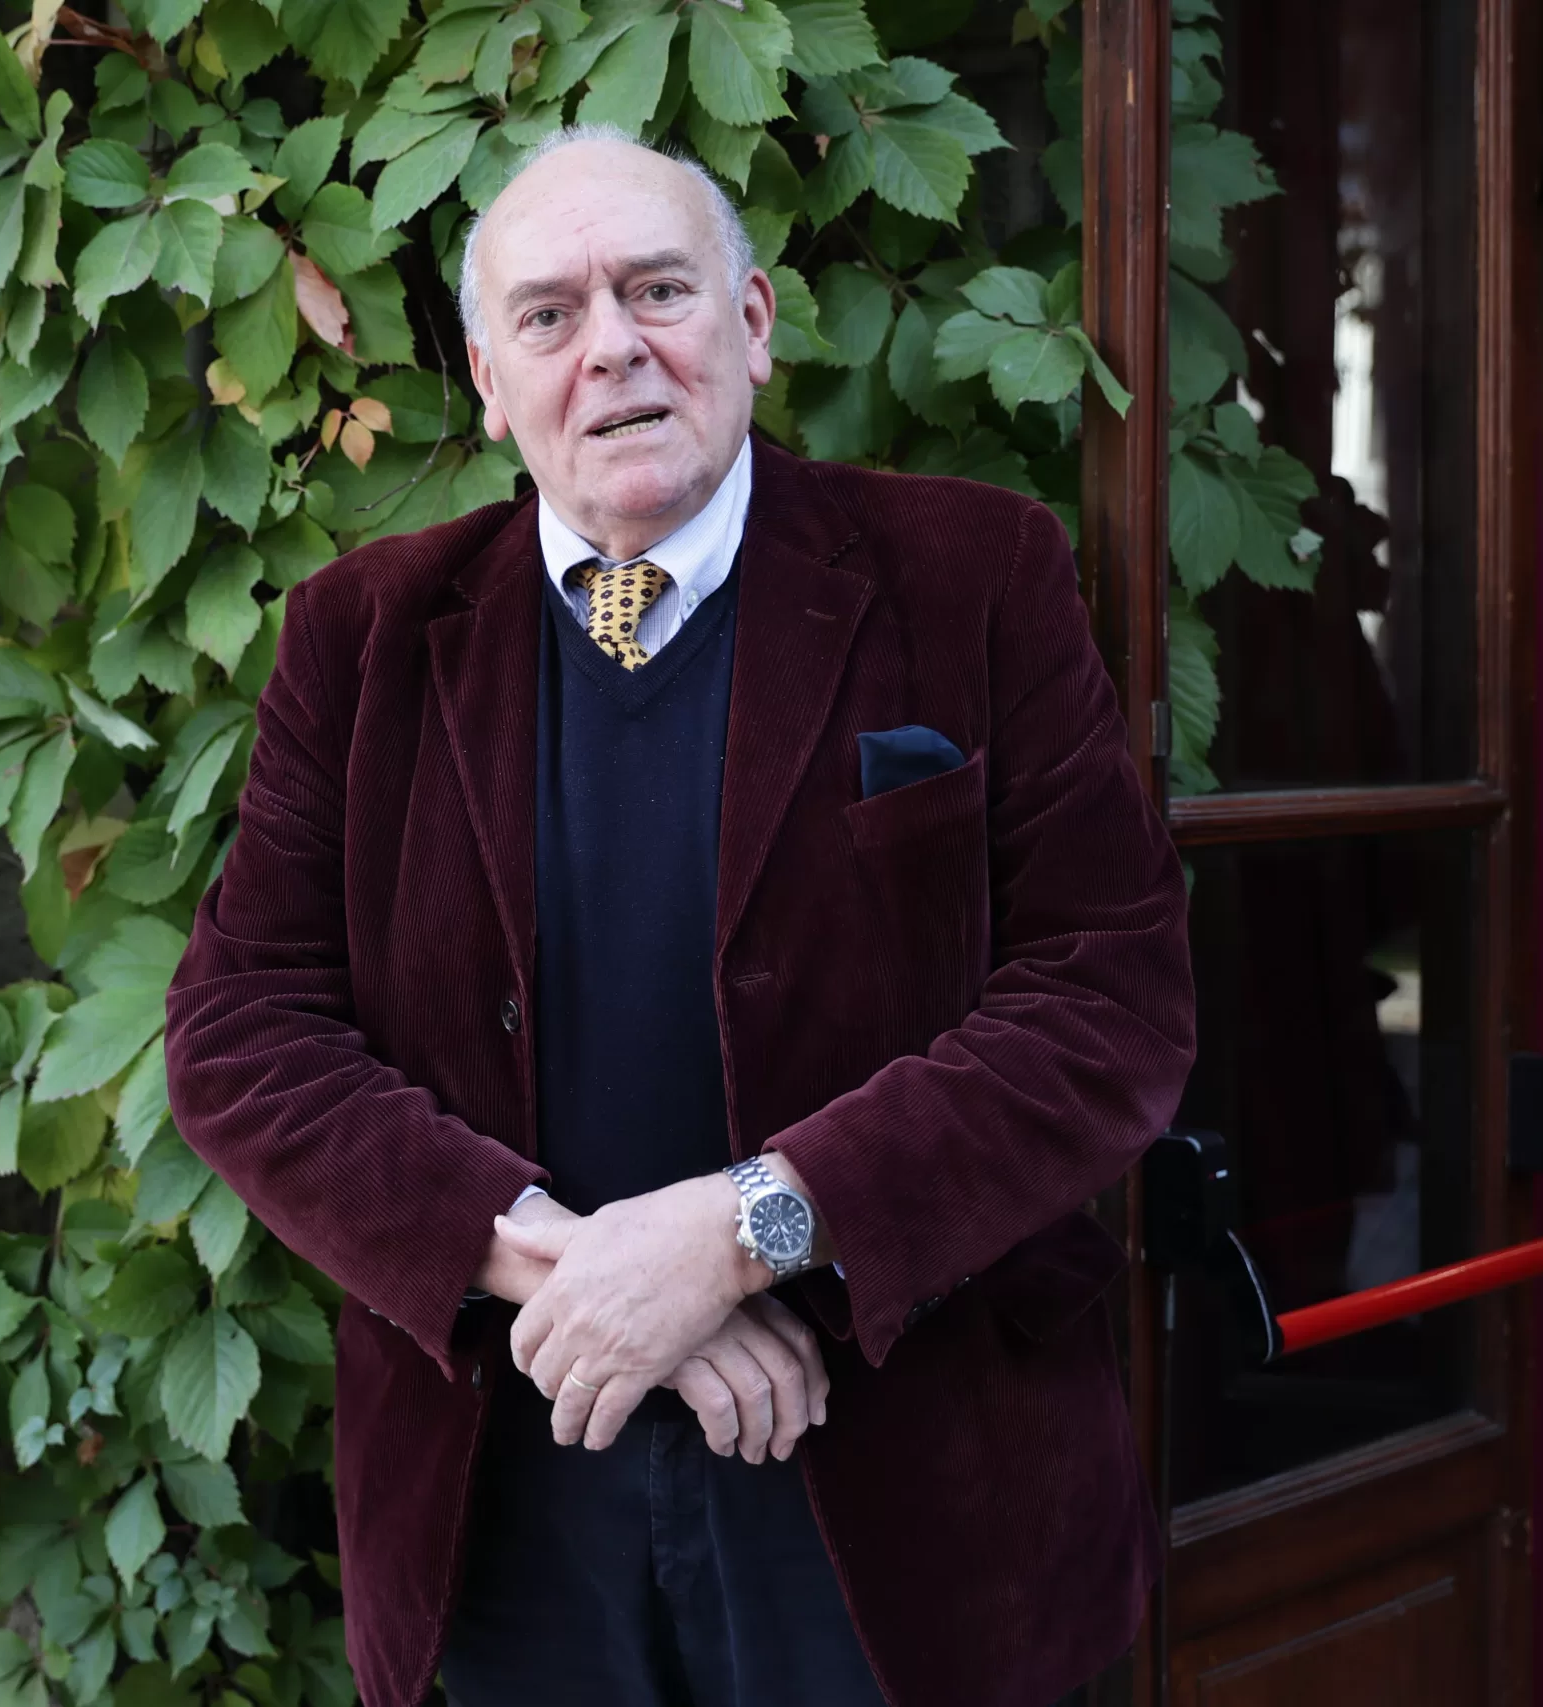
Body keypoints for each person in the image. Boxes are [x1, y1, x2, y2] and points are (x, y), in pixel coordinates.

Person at [163, 128, 1196, 1707]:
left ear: (754, 321)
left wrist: (740, 1234)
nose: (613, 348)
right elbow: (242, 1035)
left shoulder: (974, 575)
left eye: (658, 289)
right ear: (490, 384)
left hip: (902, 1495)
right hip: (509, 1504)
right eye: (549, 314)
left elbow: (1107, 1003)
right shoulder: (359, 638)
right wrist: (575, 1271)